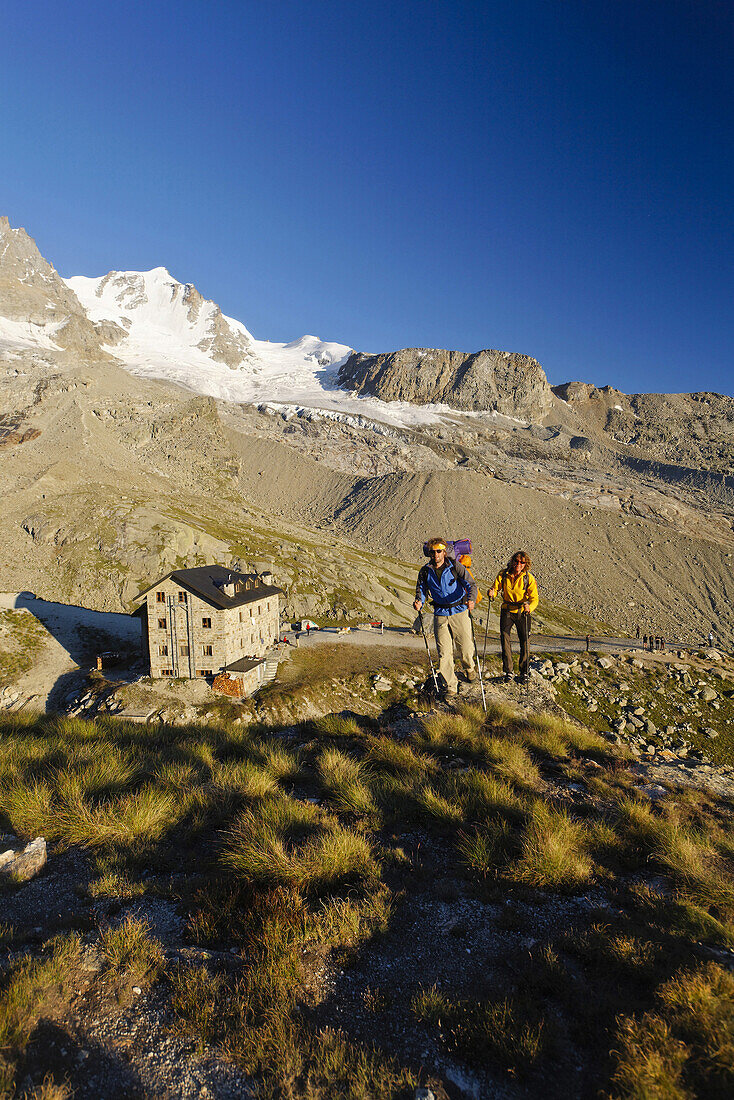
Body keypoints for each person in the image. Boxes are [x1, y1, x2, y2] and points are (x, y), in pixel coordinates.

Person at [414, 538, 478, 699]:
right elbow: (421, 589)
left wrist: (471, 599)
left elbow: (471, 584)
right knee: (444, 652)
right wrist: (419, 601)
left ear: (444, 552)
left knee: (465, 646)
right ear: (429, 553)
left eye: (438, 551)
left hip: (460, 610)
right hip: (440, 613)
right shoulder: (425, 571)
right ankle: (451, 686)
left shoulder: (455, 566)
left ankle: (470, 668)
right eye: (432, 551)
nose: (435, 554)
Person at [489, 551, 539, 685]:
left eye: (522, 562)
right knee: (505, 641)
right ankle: (508, 671)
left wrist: (530, 607)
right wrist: (492, 593)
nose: (518, 564)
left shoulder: (528, 578)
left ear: (525, 564)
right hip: (507, 610)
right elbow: (496, 588)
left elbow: (534, 599)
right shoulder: (503, 574)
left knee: (525, 642)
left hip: (522, 612)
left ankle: (524, 671)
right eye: (516, 561)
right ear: (512, 561)